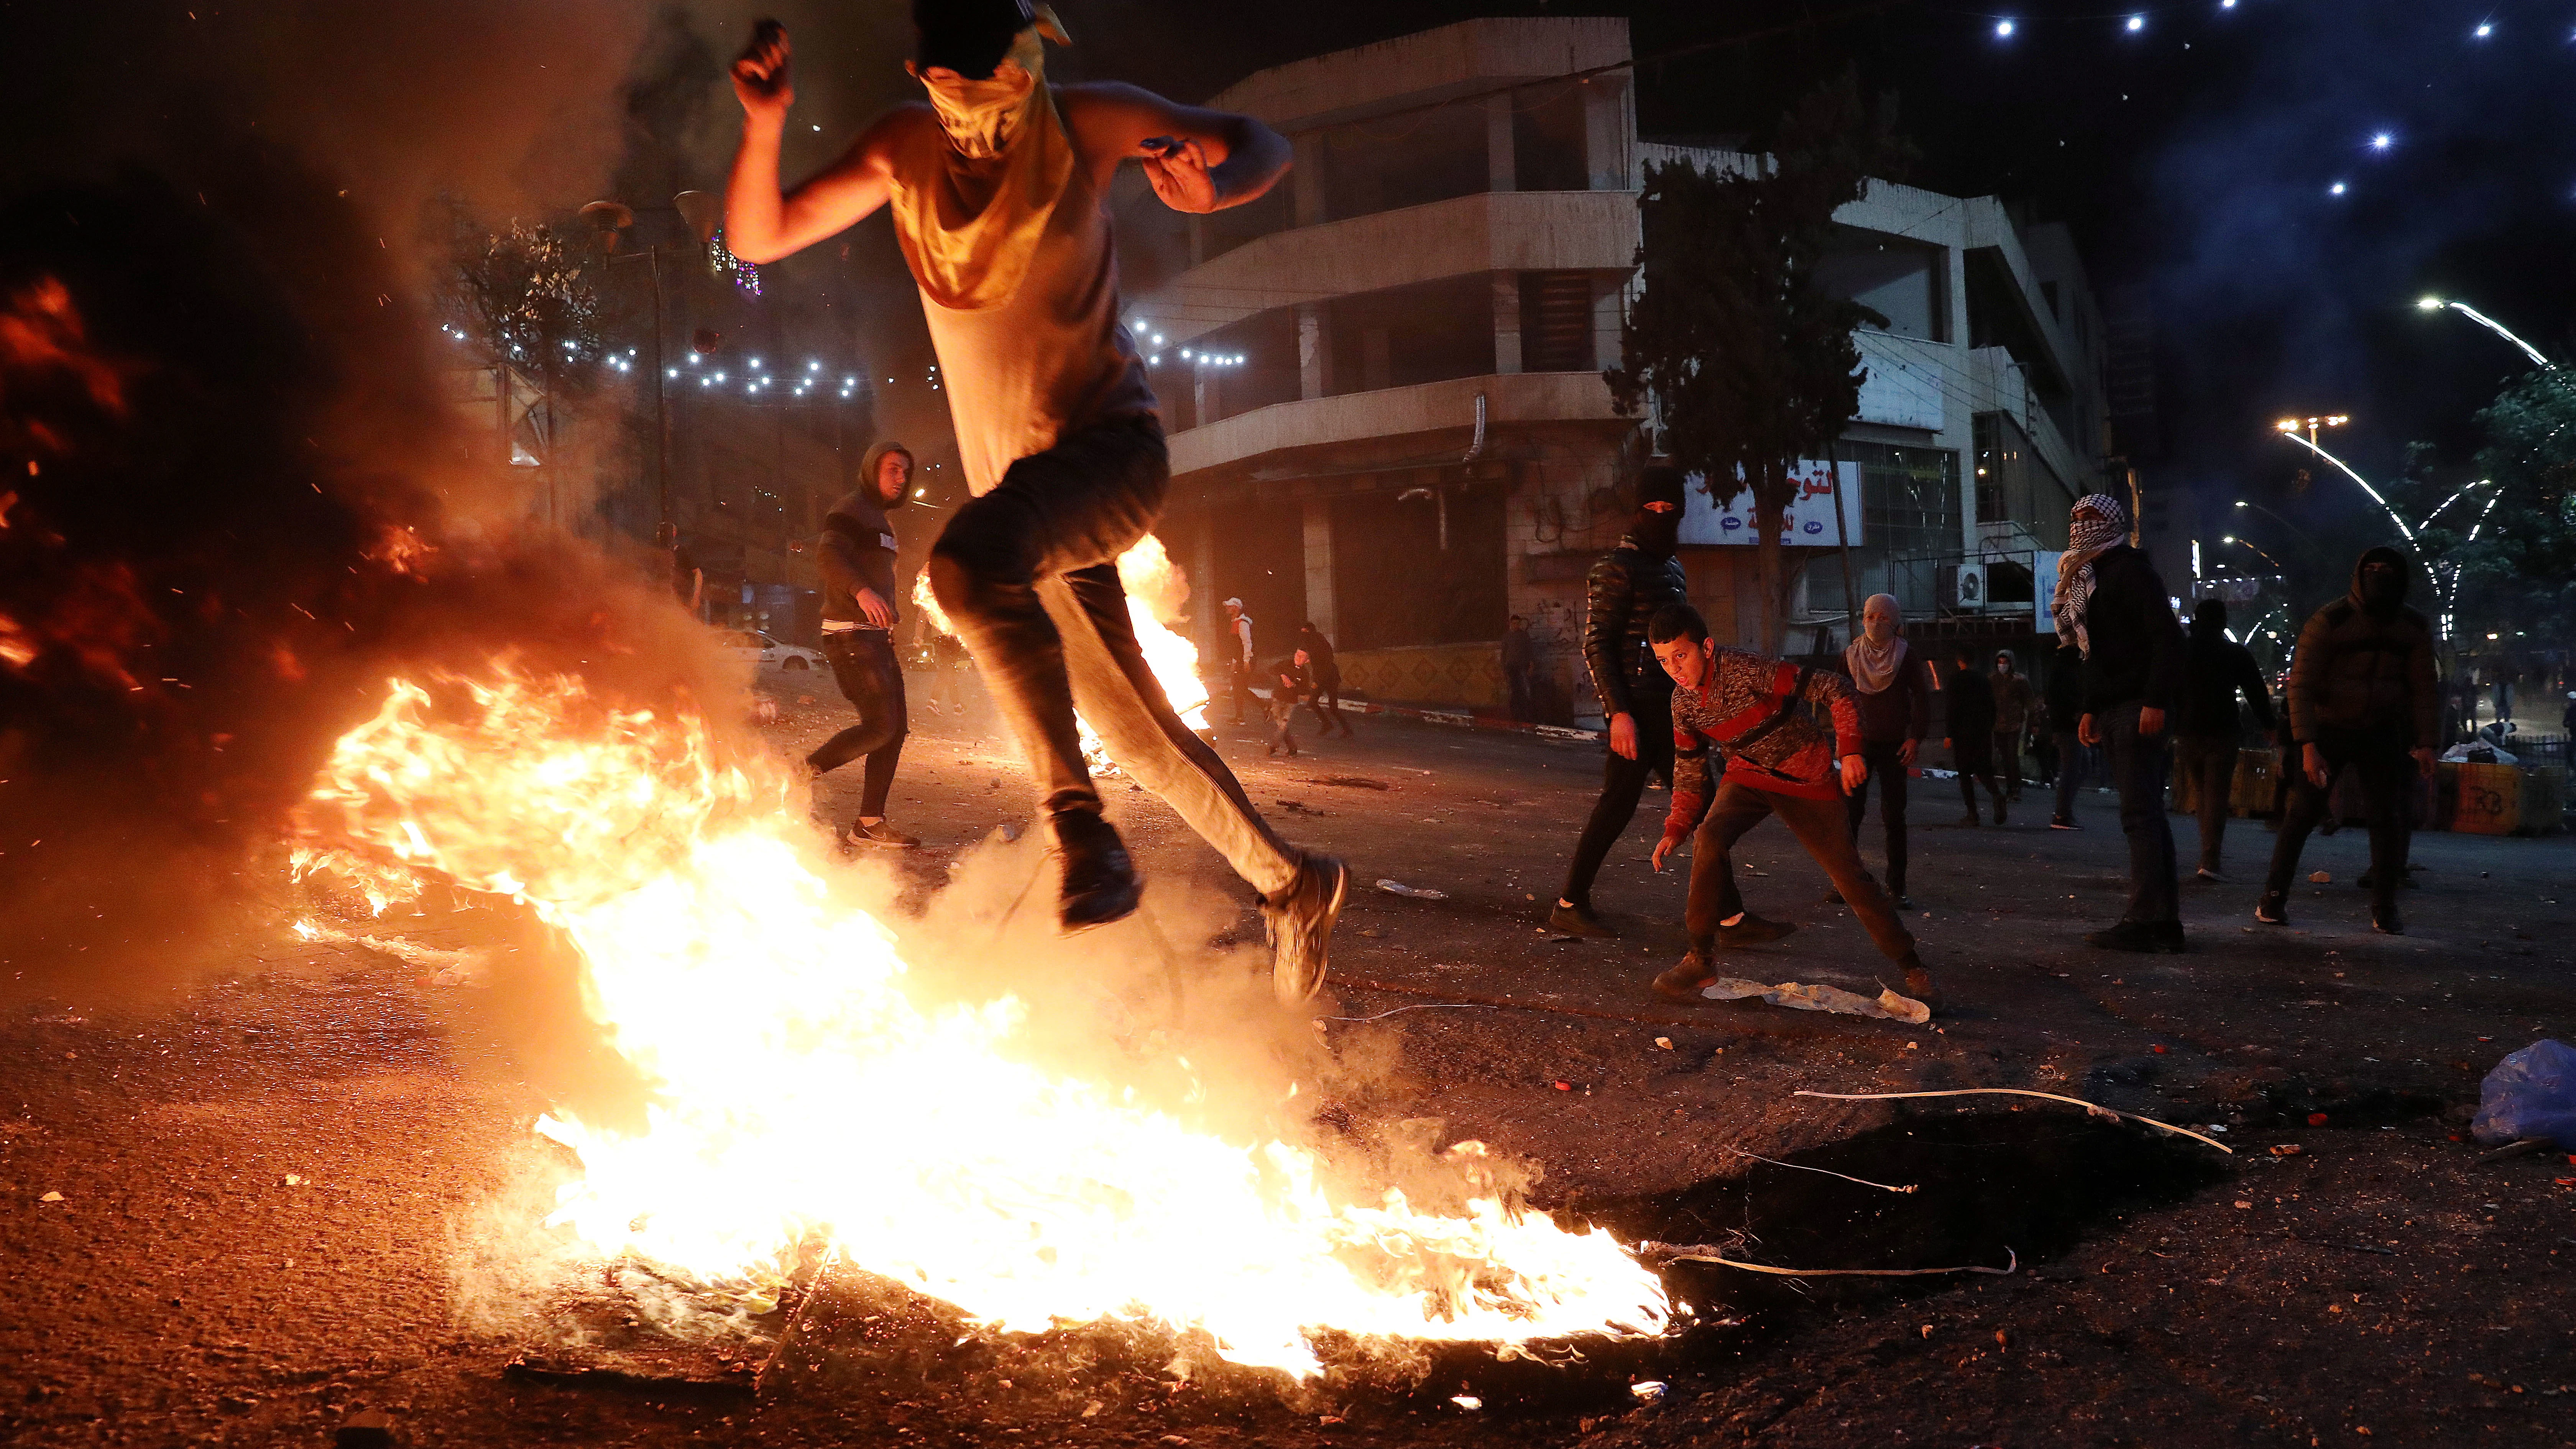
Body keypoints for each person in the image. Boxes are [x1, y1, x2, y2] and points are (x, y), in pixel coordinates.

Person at [724, 2, 1347, 1001]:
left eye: (1011, 95)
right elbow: (758, 235)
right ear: (928, 80)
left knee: (966, 567)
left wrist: (1214, 188)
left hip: (1111, 459)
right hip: (1028, 509)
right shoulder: (901, 151)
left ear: (1032, 69)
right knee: (1140, 732)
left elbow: (1259, 141)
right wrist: (764, 123)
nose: (992, 125)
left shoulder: (1084, 124)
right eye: (968, 101)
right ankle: (1294, 883)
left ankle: (1079, 827)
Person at [1643, 605, 1937, 1009]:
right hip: (1748, 775)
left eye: (1681, 655)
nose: (1674, 669)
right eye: (1664, 660)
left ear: (1706, 647)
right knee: (1708, 836)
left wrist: (1850, 750)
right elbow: (1689, 770)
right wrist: (1676, 827)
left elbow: (1837, 688)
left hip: (1805, 776)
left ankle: (1913, 967)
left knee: (1849, 878)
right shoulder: (1683, 704)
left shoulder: (1746, 670)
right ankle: (1701, 959)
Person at [2257, 547, 2438, 935]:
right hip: (2329, 730)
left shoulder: (2412, 626)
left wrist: (2427, 742)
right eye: (2370, 569)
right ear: (2359, 575)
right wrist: (2308, 744)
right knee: (2303, 814)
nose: (2377, 576)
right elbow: (2301, 686)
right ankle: (2272, 900)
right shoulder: (2330, 620)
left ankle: (2385, 908)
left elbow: (2425, 688)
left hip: (2382, 730)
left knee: (2387, 819)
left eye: (2386, 570)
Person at [1546, 467, 1691, 938]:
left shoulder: (1673, 569)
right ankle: (1570, 901)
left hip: (1671, 707)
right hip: (1637, 707)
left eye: (1671, 510)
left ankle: (1727, 914)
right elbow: (1597, 644)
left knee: (1697, 804)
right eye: (1652, 508)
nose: (1662, 516)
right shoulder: (1616, 567)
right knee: (1621, 807)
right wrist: (1619, 713)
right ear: (1636, 511)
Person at [2058, 493, 2186, 952]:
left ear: (2112, 523)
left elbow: (2165, 639)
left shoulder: (2130, 572)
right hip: (2114, 706)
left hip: (2137, 706)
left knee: (2140, 815)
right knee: (2145, 815)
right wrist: (2091, 707)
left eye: (2091, 516)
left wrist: (2155, 700)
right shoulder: (2089, 575)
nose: (2081, 524)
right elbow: (2094, 652)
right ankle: (2163, 923)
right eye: (2076, 517)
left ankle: (2146, 921)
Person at [808, 440, 922, 848]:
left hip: (873, 637)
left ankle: (869, 824)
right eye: (892, 469)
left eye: (905, 472)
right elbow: (828, 557)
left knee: (895, 731)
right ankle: (800, 775)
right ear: (872, 468)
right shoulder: (851, 509)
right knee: (880, 726)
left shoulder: (880, 520)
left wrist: (888, 610)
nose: (900, 478)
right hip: (849, 635)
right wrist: (862, 593)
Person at [2172, 598, 2275, 882]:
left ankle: (2207, 853)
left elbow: (2165, 687)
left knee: (2201, 790)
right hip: (2223, 730)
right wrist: (2269, 725)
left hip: (2188, 730)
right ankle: (2210, 858)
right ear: (2223, 622)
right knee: (2216, 794)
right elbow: (2256, 692)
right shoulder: (2235, 653)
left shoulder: (2181, 651)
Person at [1841, 593, 1929, 910]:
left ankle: (1897, 887)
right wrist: (1844, 746)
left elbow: (1921, 698)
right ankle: (1847, 885)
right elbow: (1837, 699)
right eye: (1871, 616)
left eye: (1884, 617)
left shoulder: (1906, 656)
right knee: (1850, 816)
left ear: (1896, 621)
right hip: (1859, 749)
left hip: (1894, 747)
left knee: (1894, 817)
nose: (1876, 623)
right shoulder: (1850, 655)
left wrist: (1915, 738)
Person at [1943, 648, 2007, 827]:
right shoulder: (1983, 680)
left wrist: (1949, 734)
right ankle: (1996, 794)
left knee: (1965, 774)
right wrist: (1989, 727)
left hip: (1963, 734)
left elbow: (1952, 708)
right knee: (1983, 769)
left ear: (1959, 661)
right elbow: (1992, 706)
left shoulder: (1956, 681)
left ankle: (1973, 814)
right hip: (1983, 732)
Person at [2045, 639, 2086, 828]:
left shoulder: (2061, 671)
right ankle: (2062, 815)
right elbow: (2060, 700)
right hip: (2067, 727)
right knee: (2072, 769)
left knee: (2081, 767)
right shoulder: (2066, 673)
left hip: (2067, 726)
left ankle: (2065, 811)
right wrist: (2074, 713)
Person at [1990, 650, 2034, 803]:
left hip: (2015, 725)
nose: (2002, 665)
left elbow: (2029, 702)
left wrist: (2031, 722)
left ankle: (2015, 787)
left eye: (2005, 662)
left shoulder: (2019, 681)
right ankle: (2010, 786)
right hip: (1997, 725)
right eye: (2000, 662)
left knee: (2012, 756)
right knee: (2004, 757)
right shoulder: (1993, 680)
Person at [1296, 622, 1352, 737]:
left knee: (1333, 708)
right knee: (1313, 703)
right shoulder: (1313, 642)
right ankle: (1328, 725)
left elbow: (1326, 664)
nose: (1304, 636)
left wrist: (1317, 682)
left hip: (1330, 677)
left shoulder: (1319, 643)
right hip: (1323, 676)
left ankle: (1347, 730)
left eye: (1306, 632)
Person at [1220, 597, 1257, 726]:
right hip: (1239, 661)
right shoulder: (1236, 622)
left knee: (1239, 689)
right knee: (1238, 689)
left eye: (1230, 606)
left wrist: (1246, 660)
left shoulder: (1242, 623)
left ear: (1236, 608)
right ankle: (1240, 716)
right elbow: (1236, 647)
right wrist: (1234, 662)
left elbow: (1247, 643)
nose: (1227, 609)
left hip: (1243, 661)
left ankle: (1262, 706)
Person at [1262, 656, 1304, 758]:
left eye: (1302, 657)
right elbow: (1271, 670)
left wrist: (1294, 686)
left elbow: (1304, 690)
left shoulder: (1304, 673)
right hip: (1278, 698)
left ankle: (1273, 747)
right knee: (1281, 725)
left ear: (1307, 661)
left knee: (1283, 725)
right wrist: (1283, 676)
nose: (1298, 658)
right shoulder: (1285, 664)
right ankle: (1292, 748)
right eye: (1298, 655)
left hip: (1291, 702)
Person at [1502, 614, 1538, 723]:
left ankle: (1526, 715)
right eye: (1514, 624)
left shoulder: (1524, 636)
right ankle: (1515, 715)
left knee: (1526, 690)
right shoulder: (1507, 637)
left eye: (1518, 624)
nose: (1516, 626)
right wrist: (1504, 669)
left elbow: (1530, 651)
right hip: (1512, 668)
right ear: (1511, 624)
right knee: (1514, 691)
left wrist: (1531, 665)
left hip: (1523, 667)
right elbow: (1504, 653)